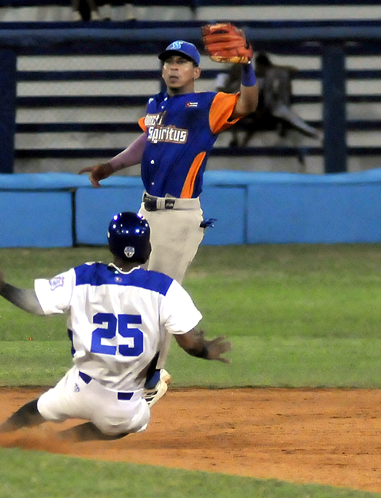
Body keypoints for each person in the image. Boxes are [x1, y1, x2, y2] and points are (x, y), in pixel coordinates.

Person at [78, 39, 258, 406]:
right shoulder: (157, 104)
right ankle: (140, 372)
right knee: (132, 290)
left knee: (155, 296)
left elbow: (249, 103)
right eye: (169, 61)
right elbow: (148, 140)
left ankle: (151, 378)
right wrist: (110, 166)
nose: (174, 67)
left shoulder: (207, 103)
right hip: (148, 210)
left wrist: (247, 65)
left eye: (182, 62)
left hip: (178, 215)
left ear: (196, 71)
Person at [0, 212, 232, 442]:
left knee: (39, 408)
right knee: (132, 423)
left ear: (112, 245)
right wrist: (206, 351)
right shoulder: (164, 288)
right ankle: (60, 441)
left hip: (77, 390)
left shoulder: (84, 276)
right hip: (121, 405)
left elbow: (35, 304)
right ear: (146, 247)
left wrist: (1, 286)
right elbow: (189, 342)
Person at [220, 52, 321, 148]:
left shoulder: (266, 76)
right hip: (257, 107)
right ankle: (239, 139)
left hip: (269, 107)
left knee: (284, 115)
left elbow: (293, 70)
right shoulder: (246, 79)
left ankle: (306, 132)